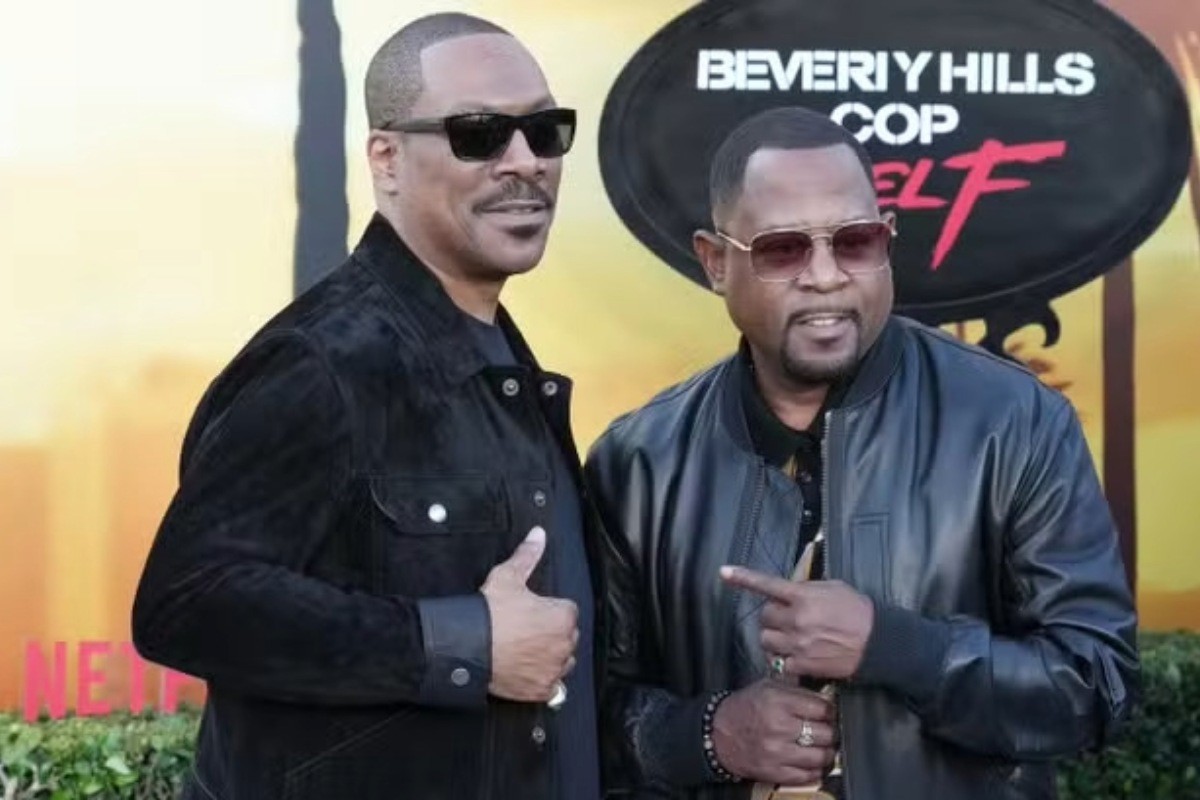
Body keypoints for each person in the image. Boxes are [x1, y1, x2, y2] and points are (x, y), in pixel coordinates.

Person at [584, 106, 1138, 800]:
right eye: (784, 249)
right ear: (716, 262)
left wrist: (894, 647)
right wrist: (708, 735)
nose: (826, 276)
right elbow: (581, 714)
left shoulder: (1015, 423)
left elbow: (1097, 686)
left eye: (854, 241)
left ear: (887, 241)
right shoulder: (639, 463)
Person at [132, 12, 603, 800]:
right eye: (480, 134)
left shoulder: (497, 355)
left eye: (544, 131)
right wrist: (465, 644)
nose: (526, 161)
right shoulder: (324, 360)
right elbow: (187, 602)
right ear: (387, 159)